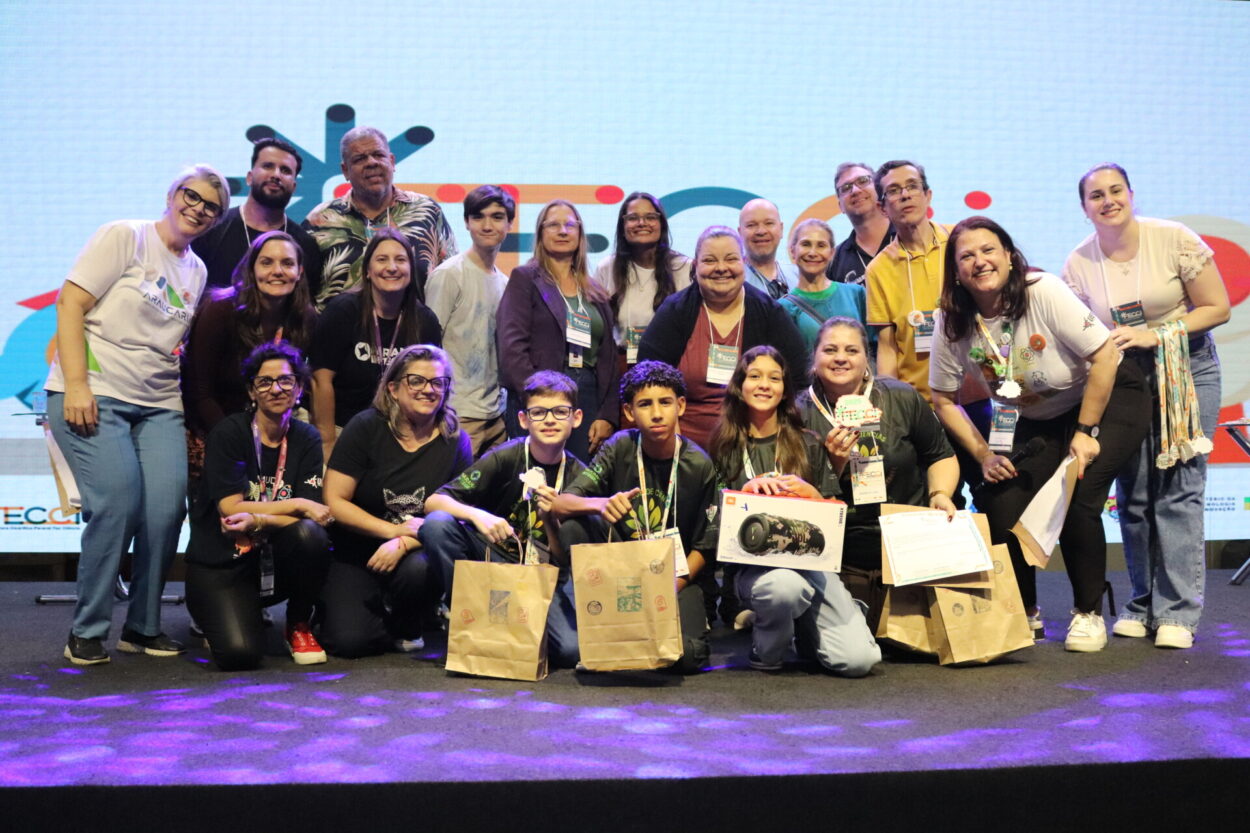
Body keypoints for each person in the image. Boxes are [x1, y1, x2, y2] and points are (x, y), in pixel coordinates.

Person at [930, 216, 1150, 652]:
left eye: (988, 250)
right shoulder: (952, 320)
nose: (979, 261)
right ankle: (1024, 609)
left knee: (1079, 497)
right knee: (999, 502)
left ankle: (1088, 613)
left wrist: (1085, 431)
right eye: (967, 256)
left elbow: (1106, 356)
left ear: (1009, 256)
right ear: (955, 272)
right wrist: (984, 455)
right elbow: (942, 398)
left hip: (1107, 397)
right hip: (1036, 415)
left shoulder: (1042, 291)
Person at [47, 164, 229, 665]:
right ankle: (87, 630)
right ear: (172, 194)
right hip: (95, 391)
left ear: (217, 220)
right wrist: (77, 385)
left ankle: (143, 627)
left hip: (159, 403)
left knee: (166, 510)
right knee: (118, 505)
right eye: (191, 196)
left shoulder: (196, 270)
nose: (198, 209)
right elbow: (69, 304)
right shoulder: (125, 236)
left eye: (211, 207)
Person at [1062, 164, 1231, 649]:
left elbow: (1217, 308)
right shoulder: (1078, 262)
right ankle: (1142, 602)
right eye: (1096, 195)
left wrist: (1156, 334)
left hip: (1186, 369)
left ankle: (1177, 612)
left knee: (1178, 491)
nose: (1108, 201)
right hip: (1126, 379)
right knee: (1133, 495)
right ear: (1084, 207)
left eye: (1116, 190)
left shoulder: (1173, 238)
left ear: (1131, 194)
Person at [708, 345, 880, 676]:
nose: (764, 385)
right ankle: (767, 650)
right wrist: (744, 495)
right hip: (754, 568)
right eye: (754, 376)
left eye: (774, 378)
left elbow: (833, 522)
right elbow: (712, 523)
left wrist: (812, 494)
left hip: (811, 565)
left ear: (785, 388)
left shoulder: (808, 442)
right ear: (739, 386)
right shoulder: (723, 447)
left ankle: (808, 628)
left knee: (859, 661)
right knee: (784, 587)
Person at [552, 361, 719, 674]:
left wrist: (668, 587)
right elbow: (561, 504)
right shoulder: (620, 447)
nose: (656, 413)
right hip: (622, 573)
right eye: (644, 404)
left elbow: (706, 546)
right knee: (574, 527)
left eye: (665, 402)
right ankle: (600, 614)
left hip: (676, 576)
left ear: (681, 406)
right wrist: (600, 504)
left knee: (688, 657)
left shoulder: (699, 465)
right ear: (629, 411)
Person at [797, 317, 959, 633]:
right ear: (814, 359)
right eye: (830, 350)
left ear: (866, 359)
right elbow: (801, 499)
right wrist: (834, 463)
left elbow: (941, 455)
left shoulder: (901, 397)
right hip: (841, 549)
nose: (840, 358)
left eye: (851, 350)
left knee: (917, 644)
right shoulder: (798, 412)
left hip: (906, 540)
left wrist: (940, 494)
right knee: (857, 644)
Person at [420, 370, 586, 668]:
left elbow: (566, 560)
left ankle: (519, 626)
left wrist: (550, 521)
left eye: (560, 411)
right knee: (438, 525)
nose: (549, 420)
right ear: (523, 419)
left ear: (576, 418)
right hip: (497, 558)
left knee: (571, 651)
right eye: (538, 412)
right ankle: (467, 615)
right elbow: (433, 502)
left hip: (546, 575)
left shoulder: (581, 476)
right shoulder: (504, 456)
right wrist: (478, 515)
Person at [184, 342, 333, 670]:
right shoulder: (229, 433)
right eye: (264, 382)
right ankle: (216, 612)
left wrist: (259, 520)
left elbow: (315, 518)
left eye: (286, 380)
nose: (276, 389)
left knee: (312, 537)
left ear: (299, 388)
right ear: (252, 391)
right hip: (223, 564)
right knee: (239, 655)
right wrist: (297, 505)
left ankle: (298, 623)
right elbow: (230, 508)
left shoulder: (306, 438)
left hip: (272, 563)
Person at [320, 345, 473, 657]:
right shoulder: (365, 427)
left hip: (416, 550)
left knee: (420, 570)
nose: (428, 390)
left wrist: (403, 542)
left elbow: (459, 514)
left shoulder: (455, 439)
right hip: (357, 551)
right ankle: (374, 612)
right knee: (350, 642)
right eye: (416, 381)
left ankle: (408, 617)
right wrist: (391, 531)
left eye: (438, 382)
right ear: (393, 388)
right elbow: (334, 500)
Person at [636, 226, 807, 451]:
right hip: (683, 447)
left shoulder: (768, 312)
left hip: (754, 446)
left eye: (731, 259)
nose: (721, 268)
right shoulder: (675, 311)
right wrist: (671, 446)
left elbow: (798, 379)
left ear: (744, 262)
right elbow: (646, 378)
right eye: (709, 260)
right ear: (696, 266)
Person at [497, 199, 618, 463]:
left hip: (587, 396)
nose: (562, 231)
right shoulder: (525, 279)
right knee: (538, 477)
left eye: (570, 225)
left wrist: (607, 415)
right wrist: (538, 397)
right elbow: (511, 348)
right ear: (541, 233)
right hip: (540, 394)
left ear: (580, 233)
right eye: (553, 225)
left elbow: (609, 358)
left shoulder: (596, 291)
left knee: (582, 477)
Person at [309, 228, 442, 462]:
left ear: (411, 270)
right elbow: (321, 381)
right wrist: (327, 442)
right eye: (382, 259)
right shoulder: (342, 311)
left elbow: (433, 385)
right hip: (342, 431)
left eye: (400, 260)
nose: (392, 267)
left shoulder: (425, 321)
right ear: (368, 271)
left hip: (401, 435)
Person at [183, 230, 318, 440]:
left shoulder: (304, 318)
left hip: (272, 428)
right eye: (266, 263)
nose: (277, 271)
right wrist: (237, 442)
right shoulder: (220, 311)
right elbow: (200, 392)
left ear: (299, 271)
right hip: (216, 428)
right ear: (252, 270)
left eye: (287, 263)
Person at [304, 125, 456, 308]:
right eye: (360, 158)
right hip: (337, 326)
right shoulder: (320, 220)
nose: (371, 162)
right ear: (345, 170)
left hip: (415, 325)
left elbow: (452, 277)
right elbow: (301, 292)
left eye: (378, 155)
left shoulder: (427, 211)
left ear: (392, 161)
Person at [426, 185, 515, 457]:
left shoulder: (505, 283)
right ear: (466, 222)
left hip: (496, 415)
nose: (487, 225)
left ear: (509, 224)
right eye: (478, 217)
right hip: (457, 412)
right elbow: (427, 347)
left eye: (497, 217)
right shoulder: (449, 275)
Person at [192, 137, 323, 296]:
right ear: (249, 177)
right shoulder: (212, 228)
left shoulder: (306, 246)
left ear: (294, 186)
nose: (276, 175)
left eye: (285, 170)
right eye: (268, 166)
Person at [593, 191, 692, 368]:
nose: (641, 223)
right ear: (623, 226)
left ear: (661, 224)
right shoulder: (607, 267)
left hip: (670, 365)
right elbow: (596, 326)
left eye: (650, 217)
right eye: (633, 218)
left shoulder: (684, 267)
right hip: (622, 365)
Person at [778, 218, 868, 354]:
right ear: (792, 251)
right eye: (806, 244)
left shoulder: (856, 294)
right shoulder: (783, 308)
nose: (813, 253)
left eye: (821, 245)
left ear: (832, 253)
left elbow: (874, 346)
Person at [827, 162, 894, 287]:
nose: (855, 190)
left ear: (879, 189)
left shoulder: (910, 236)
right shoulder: (834, 263)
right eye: (846, 188)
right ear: (841, 206)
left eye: (863, 181)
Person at [738, 198, 795, 299]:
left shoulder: (799, 277)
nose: (761, 231)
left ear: (781, 229)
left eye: (769, 223)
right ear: (740, 233)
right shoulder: (732, 281)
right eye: (751, 225)